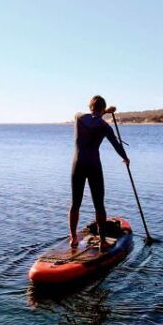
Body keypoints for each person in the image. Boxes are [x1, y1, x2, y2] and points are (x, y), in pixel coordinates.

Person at [69, 95, 130, 251]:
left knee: (76, 203)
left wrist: (104, 111)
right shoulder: (104, 126)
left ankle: (73, 238)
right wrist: (125, 158)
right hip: (94, 165)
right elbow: (116, 145)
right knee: (99, 205)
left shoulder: (78, 117)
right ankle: (103, 241)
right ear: (103, 109)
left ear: (90, 107)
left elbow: (92, 116)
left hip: (78, 164)